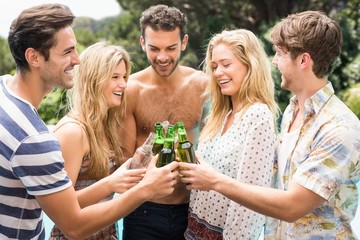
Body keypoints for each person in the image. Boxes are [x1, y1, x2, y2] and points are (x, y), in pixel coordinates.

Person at [0, 4, 179, 240]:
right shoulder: (38, 139)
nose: (77, 60)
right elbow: (72, 224)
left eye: (124, 77)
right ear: (33, 57)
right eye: (67, 52)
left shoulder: (4, 89)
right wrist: (145, 189)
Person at [179, 10, 360, 239]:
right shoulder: (292, 113)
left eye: (280, 54)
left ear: (303, 60)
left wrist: (214, 181)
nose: (273, 61)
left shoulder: (339, 128)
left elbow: (291, 206)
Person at [178, 29, 279, 239]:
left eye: (226, 64)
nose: (217, 73)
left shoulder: (258, 116)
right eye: (214, 67)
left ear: (250, 64)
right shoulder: (221, 114)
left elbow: (250, 202)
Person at [120, 4, 208, 240]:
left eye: (171, 48)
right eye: (154, 48)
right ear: (142, 43)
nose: (162, 57)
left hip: (193, 210)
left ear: (184, 42)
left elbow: (215, 147)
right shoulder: (131, 90)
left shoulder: (203, 85)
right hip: (143, 210)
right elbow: (124, 161)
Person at [49, 42, 145, 239]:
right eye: (115, 77)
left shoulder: (105, 126)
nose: (124, 84)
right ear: (94, 79)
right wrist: (110, 184)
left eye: (125, 77)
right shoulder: (73, 131)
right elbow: (58, 209)